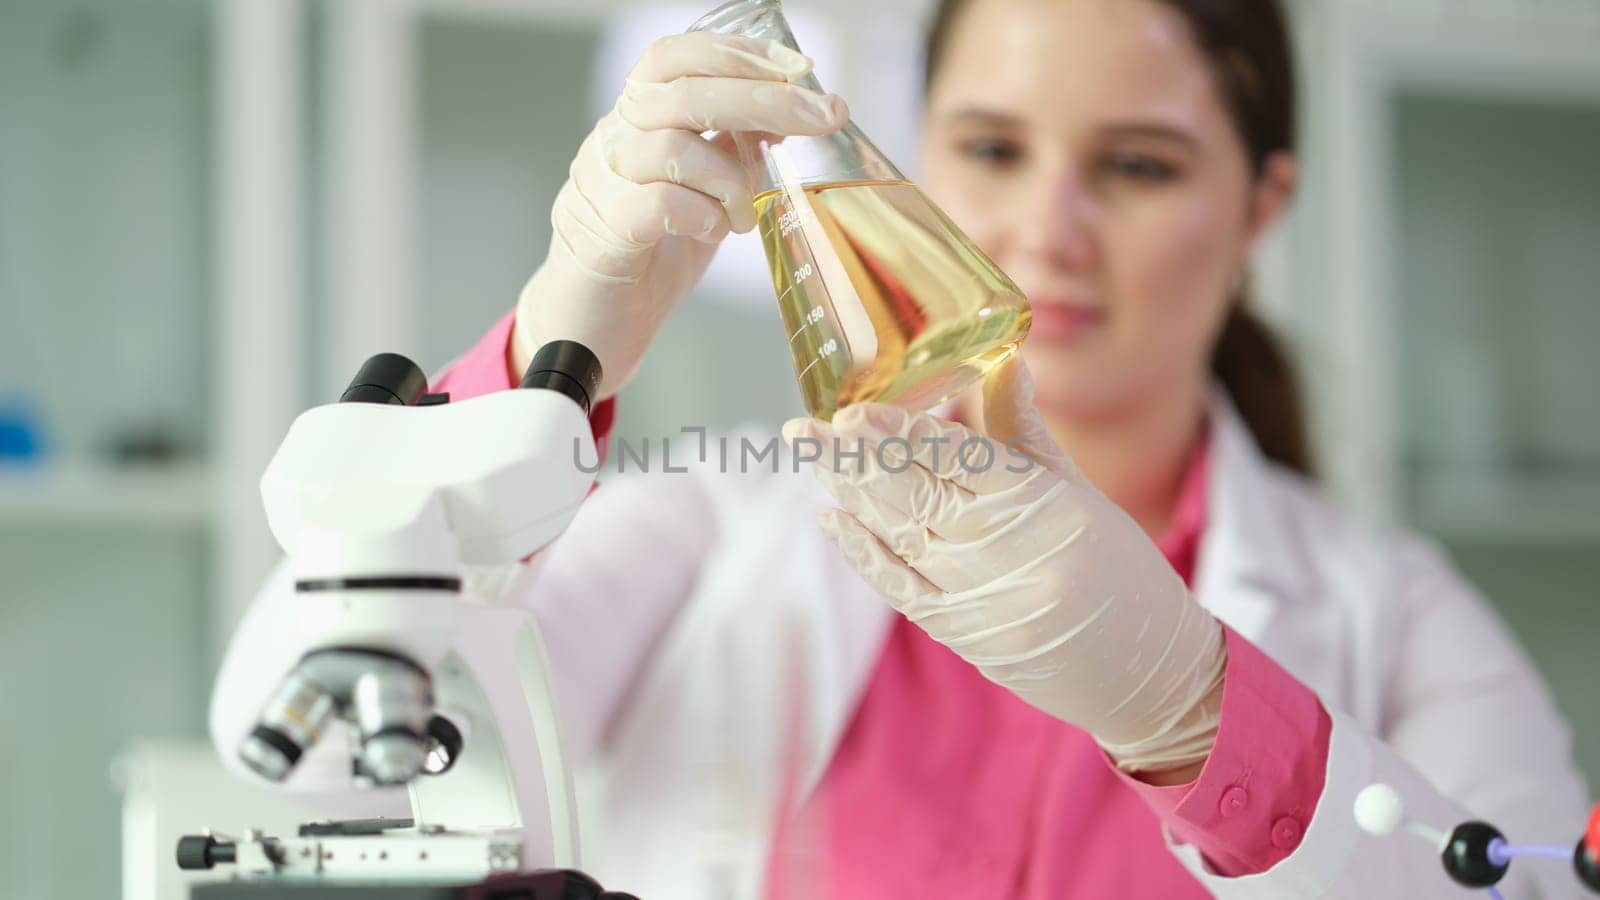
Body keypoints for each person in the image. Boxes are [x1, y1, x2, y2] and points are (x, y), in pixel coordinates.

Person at [213, 0, 1592, 896]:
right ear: (915, 159)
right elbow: (327, 761)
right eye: (990, 147)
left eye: (1139, 165)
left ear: (1261, 206)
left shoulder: (1398, 615)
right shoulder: (708, 523)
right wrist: (545, 372)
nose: (1049, 225)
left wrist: (1198, 716)